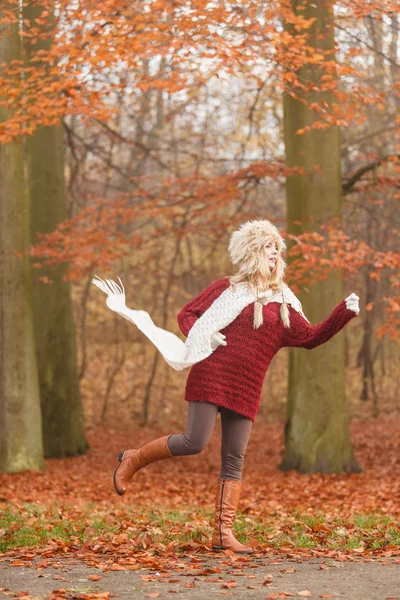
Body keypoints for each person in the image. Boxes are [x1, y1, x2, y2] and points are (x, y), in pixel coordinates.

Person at [93, 219, 360, 554]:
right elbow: (187, 314)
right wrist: (204, 333)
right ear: (252, 252)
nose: (275, 254)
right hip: (212, 374)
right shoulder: (227, 289)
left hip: (247, 387)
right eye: (267, 247)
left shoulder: (285, 304)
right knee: (195, 441)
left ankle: (223, 533)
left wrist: (343, 313)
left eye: (277, 248)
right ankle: (132, 461)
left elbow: (310, 337)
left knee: (235, 458)